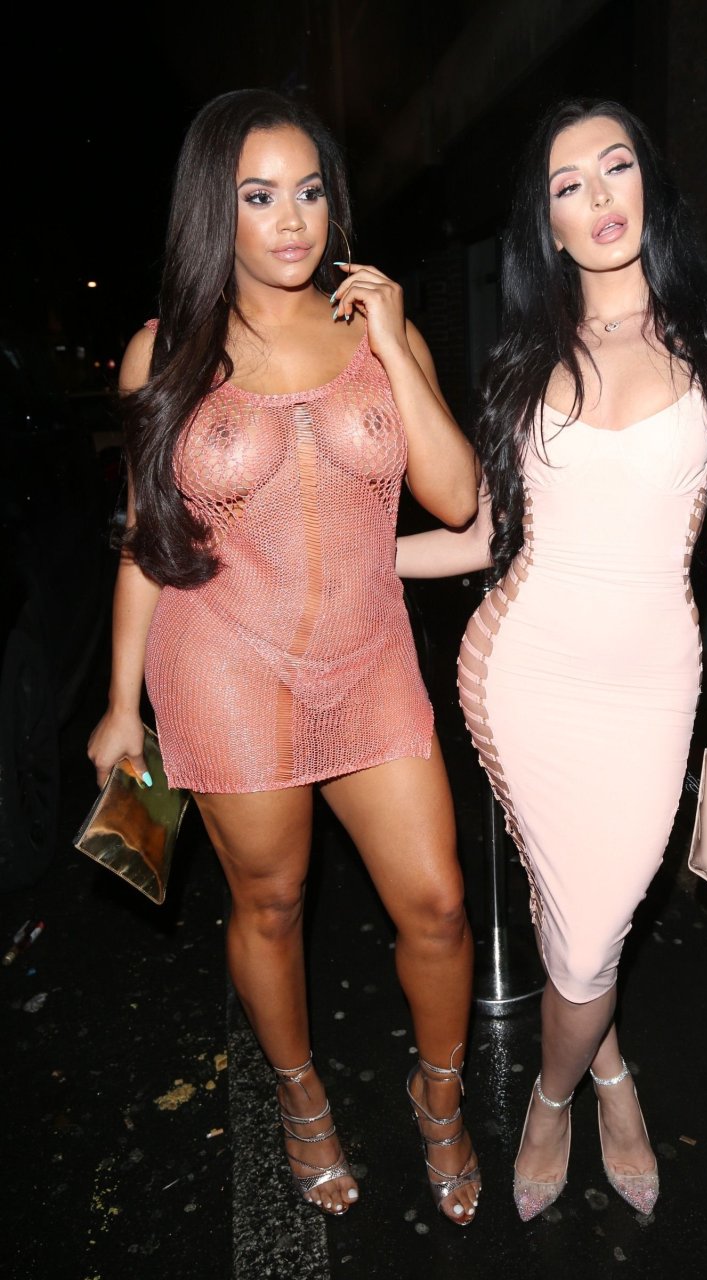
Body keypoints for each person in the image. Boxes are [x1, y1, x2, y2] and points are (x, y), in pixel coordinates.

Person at [87, 87, 483, 1226]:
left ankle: (439, 1091)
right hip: (224, 663)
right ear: (214, 211)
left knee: (438, 902)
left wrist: (395, 345)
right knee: (270, 900)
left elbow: (458, 499)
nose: (293, 218)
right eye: (258, 196)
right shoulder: (165, 352)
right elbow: (146, 541)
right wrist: (119, 704)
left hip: (369, 658)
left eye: (308, 190)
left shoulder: (376, 331)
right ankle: (301, 1096)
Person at [396, 96, 707, 1222]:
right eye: (567, 185)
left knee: (588, 925)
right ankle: (583, 1087)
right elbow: (485, 536)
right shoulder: (526, 360)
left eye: (615, 167)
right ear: (550, 227)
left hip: (651, 688)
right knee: (575, 916)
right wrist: (354, 562)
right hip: (519, 674)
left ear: (647, 187)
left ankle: (567, 1082)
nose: (598, 196)